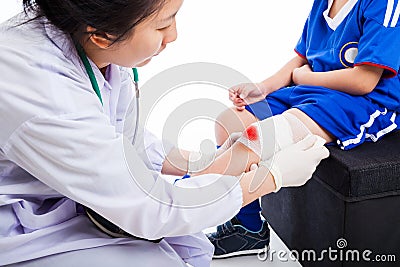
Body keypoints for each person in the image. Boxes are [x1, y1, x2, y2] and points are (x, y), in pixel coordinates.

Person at [0, 0, 329, 266]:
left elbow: (116, 136)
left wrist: (201, 161)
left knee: (190, 245)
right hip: (18, 225)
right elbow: (150, 207)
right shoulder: (36, 82)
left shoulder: (91, 40)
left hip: (68, 198)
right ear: (101, 33)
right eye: (162, 24)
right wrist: (270, 177)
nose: (173, 36)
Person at [208, 0, 400, 258]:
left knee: (262, 139)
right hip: (312, 91)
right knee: (228, 123)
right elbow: (302, 56)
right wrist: (264, 87)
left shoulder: (383, 4)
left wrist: (304, 77)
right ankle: (247, 228)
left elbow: (364, 81)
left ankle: (177, 200)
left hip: (360, 101)